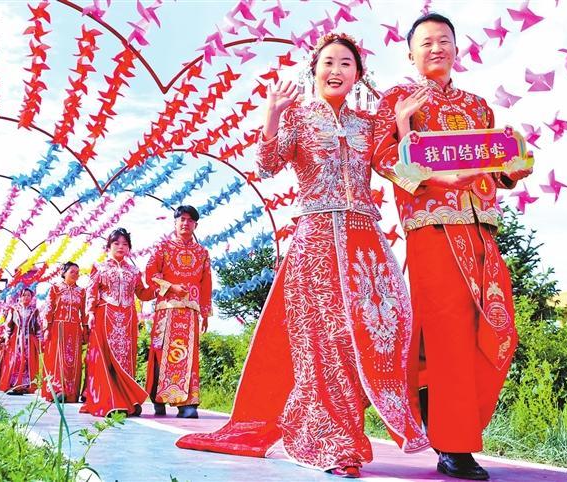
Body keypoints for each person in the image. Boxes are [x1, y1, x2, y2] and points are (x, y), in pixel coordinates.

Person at [177, 32, 428, 478]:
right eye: (328, 62)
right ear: (314, 71)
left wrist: (404, 125)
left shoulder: (369, 123)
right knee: (325, 343)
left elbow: (407, 174)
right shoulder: (297, 117)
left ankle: (343, 433)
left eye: (346, 64)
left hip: (365, 246)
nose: (337, 70)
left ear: (358, 75)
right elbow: (267, 165)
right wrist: (272, 114)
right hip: (315, 243)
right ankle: (336, 443)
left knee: (364, 341)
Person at [374, 13, 533, 480]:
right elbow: (383, 160)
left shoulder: (479, 107)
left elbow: (495, 167)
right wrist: (404, 128)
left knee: (498, 330)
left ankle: (449, 424)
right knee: (448, 338)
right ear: (410, 53)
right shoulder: (397, 99)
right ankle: (454, 444)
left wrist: (513, 166)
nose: (436, 48)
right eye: (426, 42)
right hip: (433, 229)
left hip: (481, 228)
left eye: (444, 40)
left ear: (457, 49)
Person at [144, 205, 212, 419]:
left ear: (195, 225)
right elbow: (150, 274)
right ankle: (158, 398)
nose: (185, 223)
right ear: (175, 222)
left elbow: (206, 283)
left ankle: (187, 404)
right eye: (182, 219)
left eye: (190, 220)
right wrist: (171, 287)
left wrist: (205, 313)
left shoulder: (202, 253)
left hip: (190, 312)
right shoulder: (162, 247)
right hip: (166, 310)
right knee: (162, 353)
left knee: (189, 357)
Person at [80, 228, 154, 417]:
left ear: (129, 248)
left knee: (125, 358)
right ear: (108, 246)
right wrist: (90, 312)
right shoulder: (100, 267)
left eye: (125, 244)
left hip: (128, 318)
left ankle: (127, 400)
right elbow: (91, 291)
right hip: (105, 316)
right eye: (116, 243)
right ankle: (109, 400)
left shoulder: (134, 271)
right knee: (105, 359)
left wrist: (159, 287)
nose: (121, 247)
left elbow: (142, 293)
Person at [42, 261, 87, 403]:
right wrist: (47, 328)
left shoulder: (82, 292)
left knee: (73, 361)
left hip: (75, 329)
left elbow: (84, 313)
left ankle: (71, 393)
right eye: (72, 271)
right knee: (58, 359)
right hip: (58, 327)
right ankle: (57, 390)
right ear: (64, 272)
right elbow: (49, 309)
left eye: (77, 272)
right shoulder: (55, 289)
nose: (75, 274)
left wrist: (85, 329)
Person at [0, 288, 41, 394]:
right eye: (24, 295)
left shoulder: (34, 310)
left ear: (32, 297)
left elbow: (38, 326)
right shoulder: (14, 309)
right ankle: (14, 384)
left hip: (29, 340)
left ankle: (26, 385)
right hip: (16, 340)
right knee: (16, 361)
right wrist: (7, 337)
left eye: (29, 295)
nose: (26, 297)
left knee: (27, 362)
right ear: (20, 297)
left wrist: (40, 340)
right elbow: (8, 325)